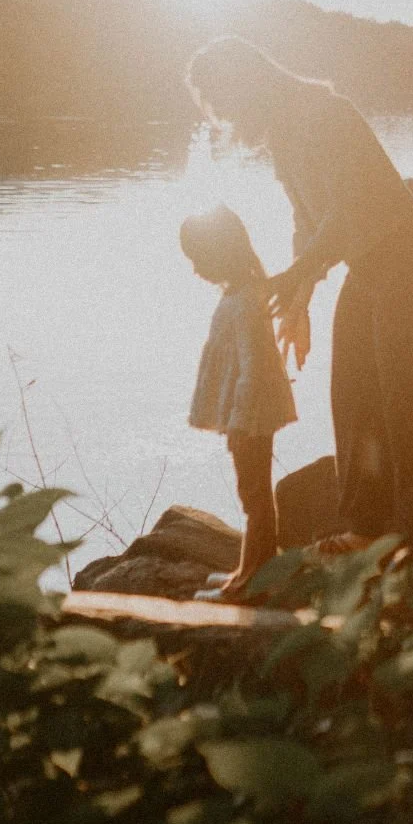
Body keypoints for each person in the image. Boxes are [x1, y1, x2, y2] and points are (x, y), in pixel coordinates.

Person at [186, 37, 413, 545]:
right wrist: (299, 301)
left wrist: (296, 276)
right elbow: (306, 221)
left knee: (409, 398)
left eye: (222, 100)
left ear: (245, 83)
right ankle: (367, 530)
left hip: (409, 260)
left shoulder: (322, 113)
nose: (222, 114)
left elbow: (344, 210)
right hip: (370, 267)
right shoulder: (284, 134)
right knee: (353, 395)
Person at [180, 204, 298, 598]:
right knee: (255, 492)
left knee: (254, 494)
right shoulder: (242, 292)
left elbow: (253, 365)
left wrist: (239, 420)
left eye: (199, 259)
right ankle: (254, 568)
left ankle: (252, 578)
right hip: (249, 412)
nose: (196, 269)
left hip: (251, 414)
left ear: (221, 252)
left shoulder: (246, 300)